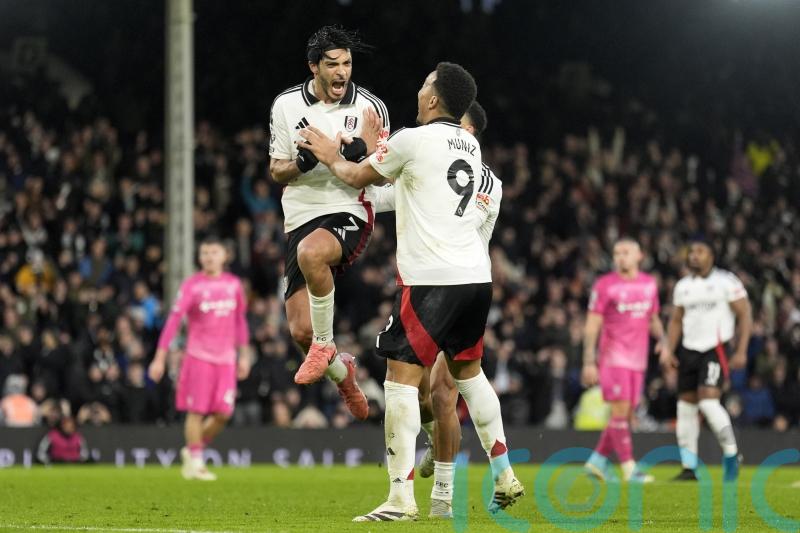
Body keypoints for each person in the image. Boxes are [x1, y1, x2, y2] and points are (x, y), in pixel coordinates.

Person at [299, 62, 524, 522]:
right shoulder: (475, 156)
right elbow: (408, 189)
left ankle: (401, 498)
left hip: (431, 280)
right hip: (476, 279)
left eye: (424, 85)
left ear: (435, 99)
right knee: (469, 377)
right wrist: (378, 150)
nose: (418, 90)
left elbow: (359, 178)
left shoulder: (415, 139)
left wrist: (330, 152)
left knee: (399, 383)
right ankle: (503, 471)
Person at [268, 25, 390, 420]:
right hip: (300, 214)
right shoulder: (286, 105)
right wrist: (301, 164)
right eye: (333, 64)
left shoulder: (370, 107)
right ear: (314, 67)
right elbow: (276, 170)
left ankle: (325, 345)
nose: (342, 72)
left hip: (349, 206)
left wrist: (361, 154)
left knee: (313, 252)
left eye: (348, 64)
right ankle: (344, 375)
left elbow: (387, 170)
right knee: (299, 332)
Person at [413, 101, 501, 518]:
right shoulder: (493, 183)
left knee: (444, 391)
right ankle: (438, 445)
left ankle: (443, 499)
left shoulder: (443, 168)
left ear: (466, 128)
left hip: (442, 282)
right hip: (471, 283)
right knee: (425, 394)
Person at [148, 236, 251, 481]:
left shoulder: (233, 285)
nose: (208, 257)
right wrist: (160, 357)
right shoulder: (192, 286)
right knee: (196, 411)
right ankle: (195, 461)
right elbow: (174, 321)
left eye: (214, 252)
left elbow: (240, 322)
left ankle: (193, 449)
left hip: (226, 359)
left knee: (224, 413)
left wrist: (244, 355)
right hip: (198, 357)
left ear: (224, 256)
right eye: (204, 253)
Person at [661, 238, 751, 482]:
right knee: (685, 408)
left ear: (711, 255)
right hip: (689, 351)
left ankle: (731, 455)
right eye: (691, 252)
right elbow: (677, 320)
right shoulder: (682, 287)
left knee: (709, 403)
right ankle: (689, 467)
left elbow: (744, 314)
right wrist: (668, 349)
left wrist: (742, 350)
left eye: (700, 251)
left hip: (715, 348)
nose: (694, 256)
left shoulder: (726, 282)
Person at [580, 238, 665, 483]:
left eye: (626, 252)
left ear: (640, 255)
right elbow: (592, 323)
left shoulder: (649, 284)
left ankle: (596, 462)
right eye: (617, 253)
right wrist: (588, 360)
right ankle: (629, 469)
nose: (620, 257)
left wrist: (665, 342)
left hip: (638, 361)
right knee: (619, 412)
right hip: (613, 358)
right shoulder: (605, 285)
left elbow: (654, 318)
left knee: (625, 415)